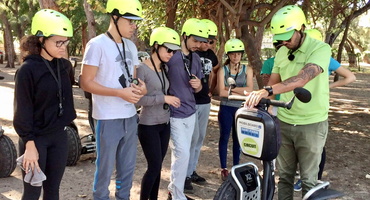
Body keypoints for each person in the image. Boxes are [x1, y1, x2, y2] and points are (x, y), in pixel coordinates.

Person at [244, 5, 332, 199]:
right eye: (280, 38)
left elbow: (302, 79)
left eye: (287, 36)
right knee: (284, 177)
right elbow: (273, 84)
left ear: (301, 28)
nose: (283, 42)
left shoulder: (321, 49)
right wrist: (255, 98)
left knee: (309, 180)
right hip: (284, 121)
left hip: (312, 123)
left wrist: (267, 90)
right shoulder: (282, 52)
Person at [79, 0, 147, 199]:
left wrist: (140, 89)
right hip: (107, 118)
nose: (134, 26)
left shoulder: (132, 47)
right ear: (114, 17)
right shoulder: (97, 45)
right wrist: (119, 93)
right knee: (105, 170)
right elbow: (86, 83)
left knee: (127, 169)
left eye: (136, 22)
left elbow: (133, 78)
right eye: (130, 21)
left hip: (130, 115)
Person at [13, 9, 76, 200]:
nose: (63, 47)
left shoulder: (65, 66)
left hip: (59, 137)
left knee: (53, 191)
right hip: (35, 140)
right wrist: (29, 145)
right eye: (59, 42)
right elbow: (22, 111)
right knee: (32, 194)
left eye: (66, 42)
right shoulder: (27, 70)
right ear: (41, 39)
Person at [293, 28, 356, 192]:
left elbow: (350, 77)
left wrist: (330, 86)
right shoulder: (295, 57)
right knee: (300, 145)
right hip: (297, 107)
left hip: (316, 108)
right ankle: (304, 177)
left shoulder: (325, 57)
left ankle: (313, 179)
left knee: (316, 147)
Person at [136, 27, 181, 200]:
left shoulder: (165, 68)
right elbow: (138, 101)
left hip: (165, 124)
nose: (171, 54)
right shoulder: (142, 69)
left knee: (158, 166)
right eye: (168, 49)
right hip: (148, 125)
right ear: (156, 45)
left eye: (173, 51)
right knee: (154, 167)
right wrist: (164, 98)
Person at [166, 18, 207, 200]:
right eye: (195, 40)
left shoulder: (196, 58)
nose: (198, 44)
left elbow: (197, 88)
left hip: (191, 112)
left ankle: (174, 190)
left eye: (201, 41)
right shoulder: (171, 55)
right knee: (182, 153)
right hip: (174, 113)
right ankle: (177, 194)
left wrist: (198, 85)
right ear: (184, 36)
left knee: (183, 153)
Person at [185, 19, 219, 189]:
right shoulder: (191, 53)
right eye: (206, 40)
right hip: (191, 102)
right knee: (190, 140)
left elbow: (214, 72)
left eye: (211, 41)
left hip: (205, 100)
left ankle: (192, 171)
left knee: (199, 139)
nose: (208, 44)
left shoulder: (212, 55)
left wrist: (211, 89)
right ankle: (184, 174)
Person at [217, 38, 254, 181]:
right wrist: (241, 92)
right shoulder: (223, 70)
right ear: (228, 55)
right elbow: (221, 92)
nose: (235, 57)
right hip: (226, 107)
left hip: (241, 108)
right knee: (224, 137)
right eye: (232, 54)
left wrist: (231, 89)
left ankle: (235, 166)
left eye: (238, 54)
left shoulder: (247, 69)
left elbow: (250, 90)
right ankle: (224, 168)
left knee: (238, 139)